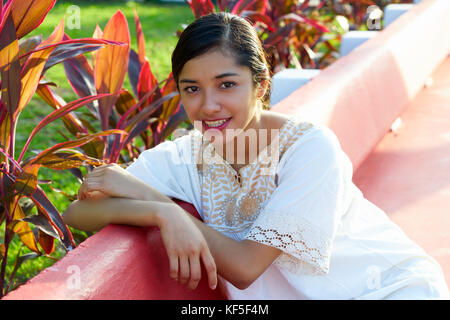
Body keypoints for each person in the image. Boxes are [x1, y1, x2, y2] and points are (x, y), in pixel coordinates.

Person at [63, 12, 449, 300]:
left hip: (391, 291)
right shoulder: (184, 157)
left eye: (227, 85)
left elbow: (246, 267)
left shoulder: (309, 150)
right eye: (192, 89)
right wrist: (159, 212)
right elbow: (78, 214)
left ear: (261, 85)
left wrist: (168, 211)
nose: (209, 105)